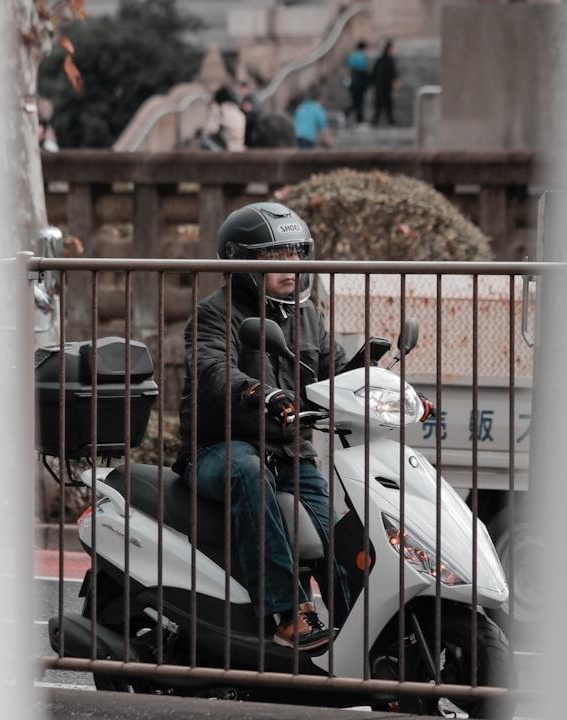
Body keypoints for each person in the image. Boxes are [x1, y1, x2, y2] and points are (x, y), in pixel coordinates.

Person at [172, 201, 351, 651]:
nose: (292, 268)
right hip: (220, 447)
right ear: (242, 263)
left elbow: (335, 367)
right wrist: (260, 391)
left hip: (290, 451)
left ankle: (362, 635)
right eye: (276, 259)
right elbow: (213, 369)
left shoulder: (305, 312)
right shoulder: (217, 312)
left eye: (296, 254)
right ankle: (287, 613)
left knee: (337, 532)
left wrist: (377, 381)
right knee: (248, 475)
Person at [202, 85, 247, 152]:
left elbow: (210, 130)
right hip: (237, 149)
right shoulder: (240, 113)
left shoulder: (219, 110)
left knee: (205, 141)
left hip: (225, 150)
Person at [370, 40, 400, 126]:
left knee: (381, 104)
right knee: (385, 104)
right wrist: (395, 80)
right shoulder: (388, 60)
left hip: (380, 86)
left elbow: (374, 73)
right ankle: (388, 120)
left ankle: (380, 120)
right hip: (384, 86)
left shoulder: (380, 60)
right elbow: (392, 72)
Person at [345, 41, 369, 125]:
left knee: (355, 101)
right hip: (359, 82)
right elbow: (363, 70)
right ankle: (358, 119)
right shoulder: (361, 56)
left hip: (352, 82)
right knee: (359, 102)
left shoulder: (352, 56)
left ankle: (354, 116)